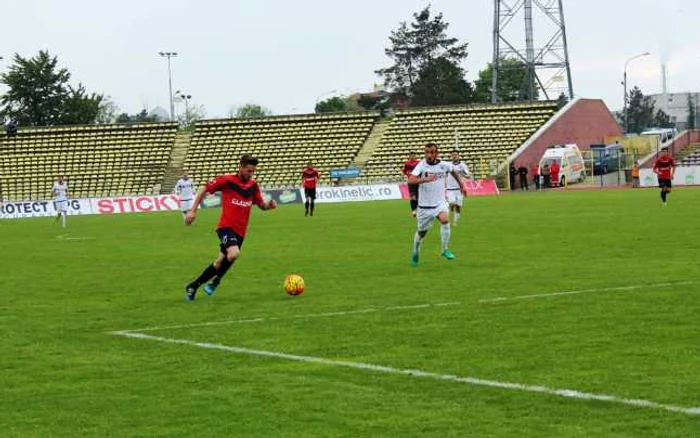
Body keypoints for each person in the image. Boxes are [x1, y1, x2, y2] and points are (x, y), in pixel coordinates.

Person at [184, 154, 277, 301]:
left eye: (252, 171)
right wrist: (193, 210)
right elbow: (204, 189)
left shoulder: (253, 186)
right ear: (240, 167)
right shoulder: (227, 180)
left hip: (241, 231)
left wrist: (269, 206)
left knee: (220, 262)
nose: (250, 174)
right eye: (248, 170)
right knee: (233, 254)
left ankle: (193, 285)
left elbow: (261, 205)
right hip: (226, 226)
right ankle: (216, 281)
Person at [407, 143, 468, 266]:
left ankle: (444, 250)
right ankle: (415, 252)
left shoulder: (444, 165)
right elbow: (411, 180)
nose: (429, 155)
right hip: (424, 206)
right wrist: (424, 179)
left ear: (436, 153)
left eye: (432, 152)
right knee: (421, 233)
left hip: (439, 202)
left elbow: (453, 172)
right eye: (427, 152)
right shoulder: (422, 165)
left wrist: (462, 186)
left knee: (445, 220)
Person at [446, 151, 470, 226]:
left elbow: (468, 176)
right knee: (452, 203)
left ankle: (455, 221)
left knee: (458, 206)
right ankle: (448, 218)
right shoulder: (448, 165)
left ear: (458, 156)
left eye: (455, 155)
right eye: (452, 155)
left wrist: (461, 173)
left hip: (459, 189)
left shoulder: (462, 165)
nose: (454, 156)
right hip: (450, 189)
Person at [402, 152, 420, 217]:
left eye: (413, 155)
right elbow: (404, 171)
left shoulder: (418, 163)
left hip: (418, 181)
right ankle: (413, 211)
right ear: (409, 156)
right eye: (411, 156)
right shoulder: (407, 163)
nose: (412, 157)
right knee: (412, 197)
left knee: (418, 196)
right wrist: (408, 175)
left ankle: (418, 209)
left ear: (415, 156)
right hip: (411, 182)